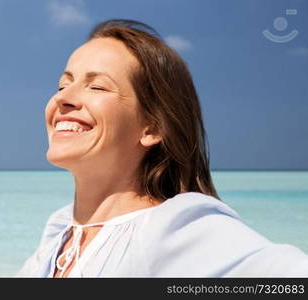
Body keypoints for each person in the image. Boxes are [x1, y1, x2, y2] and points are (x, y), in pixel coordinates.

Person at [16, 19, 308, 277]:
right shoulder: (60, 232)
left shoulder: (171, 227)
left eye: (98, 87)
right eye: (62, 85)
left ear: (153, 127)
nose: (63, 99)